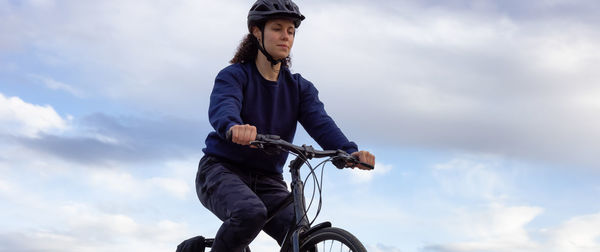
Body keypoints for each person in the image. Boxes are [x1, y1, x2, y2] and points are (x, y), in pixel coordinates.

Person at [195, 0, 376, 251]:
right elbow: (224, 105)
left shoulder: (299, 88)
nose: (285, 37)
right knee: (250, 213)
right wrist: (233, 126)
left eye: (291, 31)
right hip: (221, 170)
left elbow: (321, 122)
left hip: (269, 179)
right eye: (277, 29)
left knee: (301, 237)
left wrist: (348, 151)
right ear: (257, 32)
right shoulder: (235, 75)